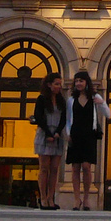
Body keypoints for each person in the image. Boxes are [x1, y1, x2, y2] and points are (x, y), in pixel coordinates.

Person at [65, 69, 111, 210]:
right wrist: (68, 134)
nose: (78, 83)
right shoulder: (71, 100)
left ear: (86, 83)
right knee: (75, 167)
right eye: (76, 81)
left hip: (89, 135)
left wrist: (102, 102)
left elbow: (108, 114)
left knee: (86, 167)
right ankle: (76, 199)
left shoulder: (94, 97)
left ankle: (86, 198)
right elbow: (68, 119)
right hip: (75, 134)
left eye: (81, 81)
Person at [30, 74, 67, 209]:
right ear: (49, 85)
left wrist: (57, 132)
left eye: (59, 84)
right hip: (45, 133)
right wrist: (48, 133)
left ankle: (51, 197)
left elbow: (64, 117)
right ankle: (43, 198)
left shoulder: (61, 100)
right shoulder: (41, 99)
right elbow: (38, 116)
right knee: (44, 168)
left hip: (57, 135)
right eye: (56, 84)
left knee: (55, 168)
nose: (59, 86)